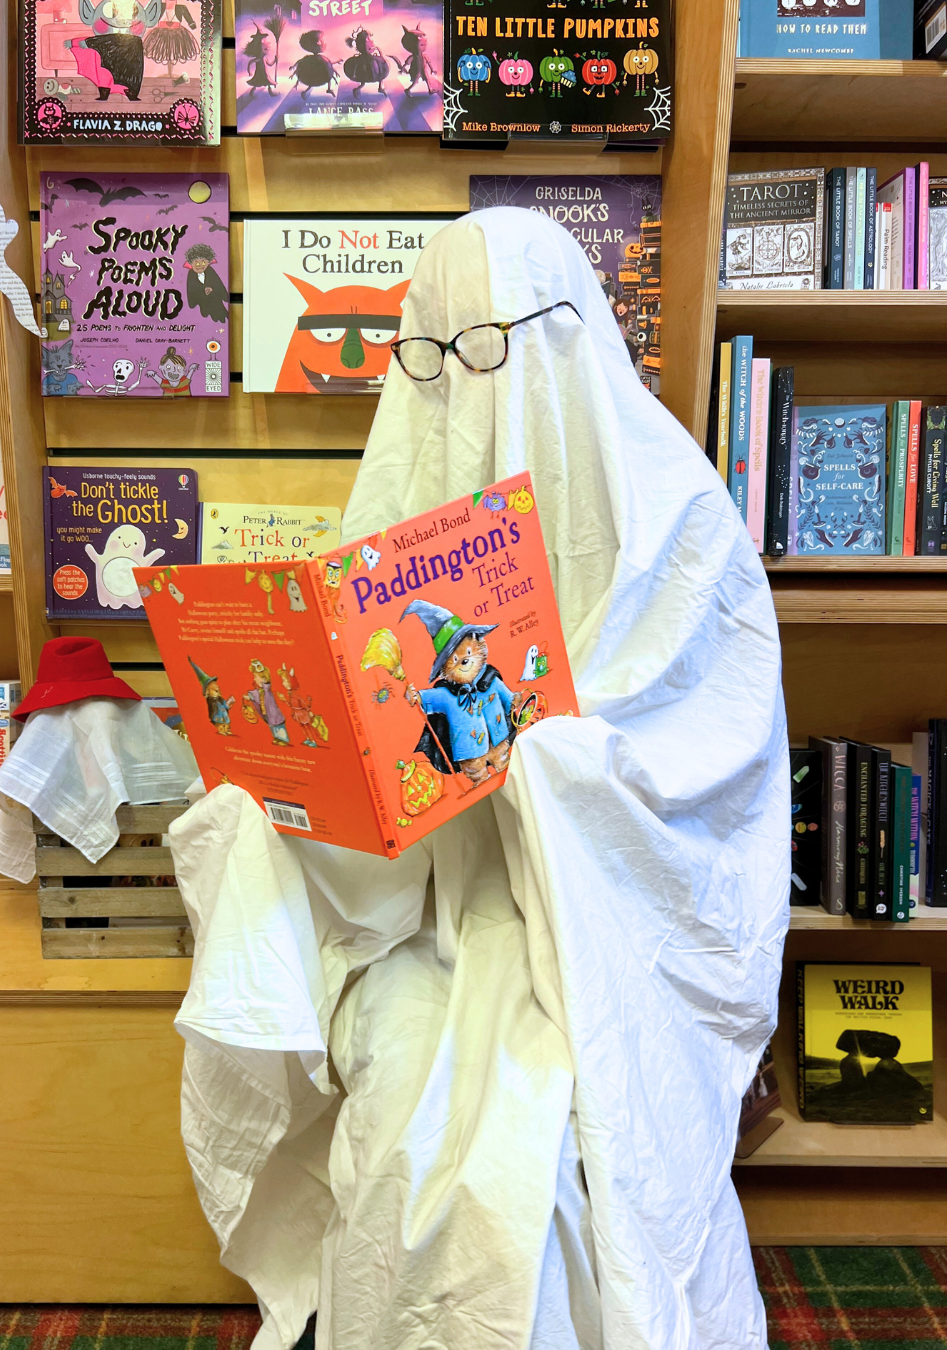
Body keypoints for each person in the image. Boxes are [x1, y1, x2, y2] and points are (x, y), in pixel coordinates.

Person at [168, 208, 789, 1350]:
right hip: (433, 925)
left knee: (525, 1172)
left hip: (598, 936)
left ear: (568, 332)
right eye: (434, 351)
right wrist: (282, 788)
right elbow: (373, 793)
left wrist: (545, 754)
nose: (466, 383)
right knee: (408, 1139)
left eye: (496, 346)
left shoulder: (684, 521)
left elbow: (717, 768)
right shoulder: (395, 519)